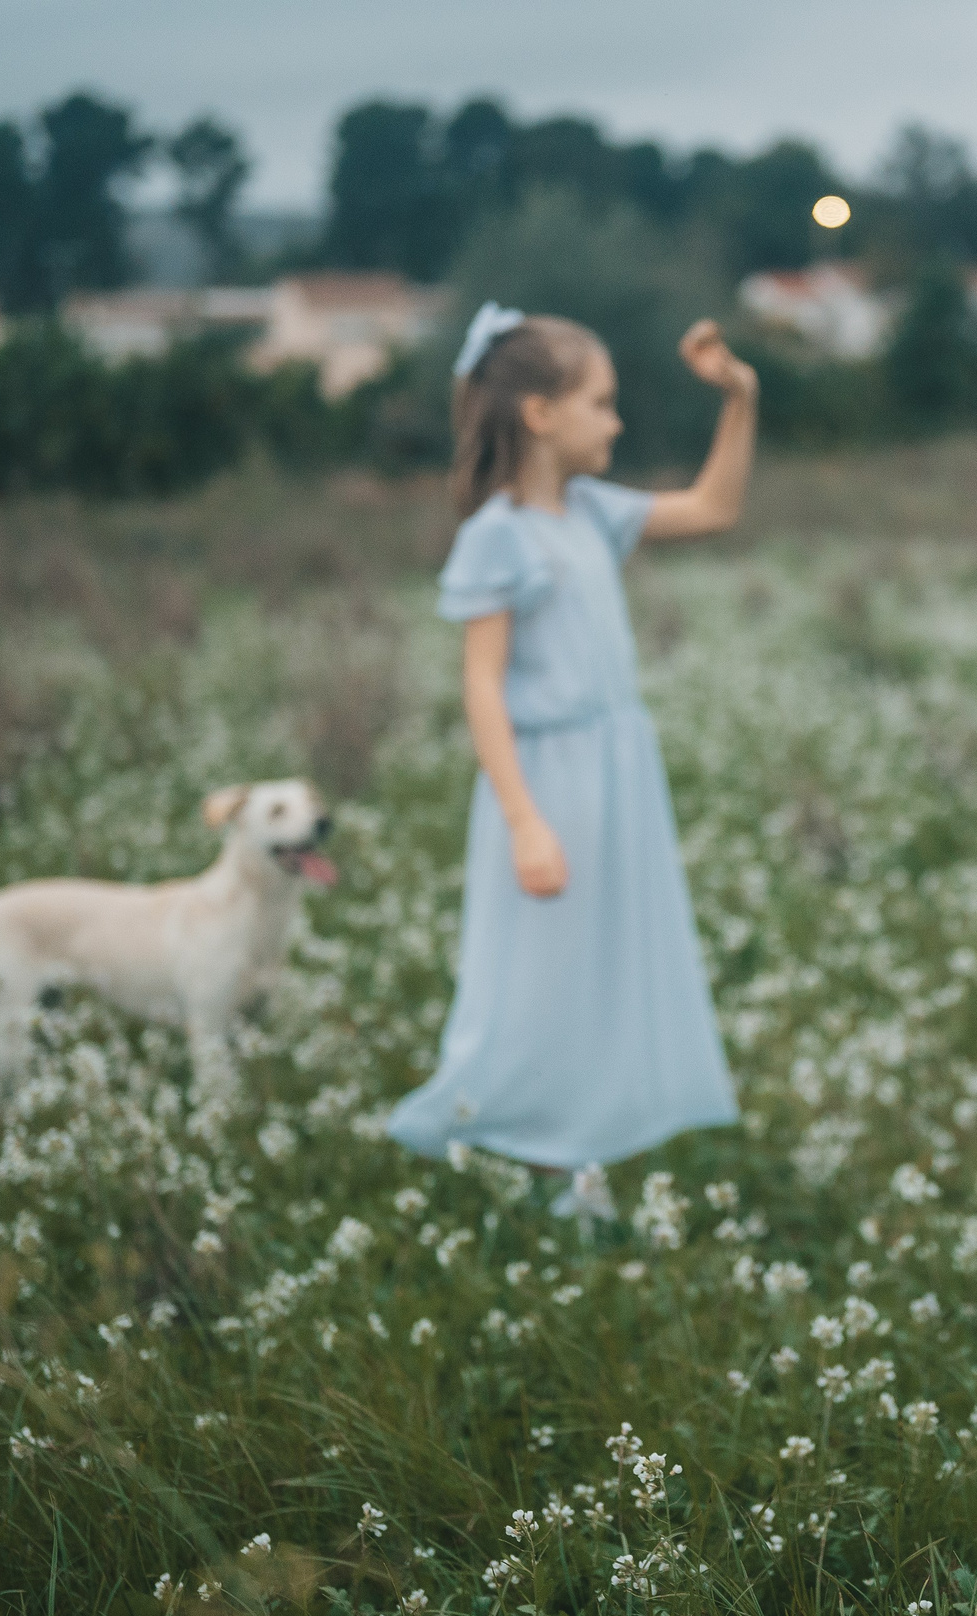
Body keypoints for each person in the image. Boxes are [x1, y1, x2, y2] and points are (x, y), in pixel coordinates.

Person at [387, 304, 757, 1215]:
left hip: (618, 772)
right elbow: (483, 688)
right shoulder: (498, 535)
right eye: (602, 402)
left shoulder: (591, 510)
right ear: (541, 415)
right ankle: (515, 1134)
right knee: (543, 974)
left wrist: (741, 398)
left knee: (603, 964)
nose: (618, 422)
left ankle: (578, 1159)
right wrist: (523, 820)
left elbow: (714, 507)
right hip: (546, 785)